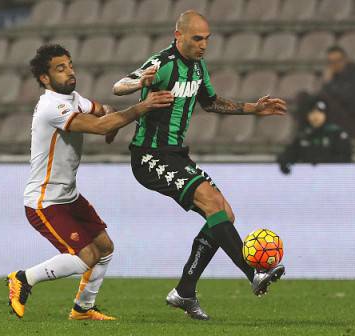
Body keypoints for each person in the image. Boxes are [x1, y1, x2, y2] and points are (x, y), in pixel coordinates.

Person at [112, 11, 287, 320]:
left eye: (207, 39)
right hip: (150, 156)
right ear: (178, 35)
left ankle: (184, 291)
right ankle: (253, 273)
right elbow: (119, 86)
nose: (204, 45)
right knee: (210, 203)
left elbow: (210, 102)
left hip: (177, 155)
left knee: (224, 213)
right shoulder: (163, 63)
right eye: (197, 38)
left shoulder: (198, 67)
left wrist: (252, 109)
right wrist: (141, 81)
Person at [7, 44, 174, 320]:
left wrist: (111, 120)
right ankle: (23, 278)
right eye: (60, 69)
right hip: (44, 201)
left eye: (70, 65)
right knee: (84, 255)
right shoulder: (52, 106)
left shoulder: (73, 98)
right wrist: (141, 107)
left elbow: (102, 111)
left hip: (69, 198)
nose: (69, 71)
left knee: (105, 248)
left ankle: (83, 308)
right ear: (45, 79)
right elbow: (99, 126)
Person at [277, 101, 352, 174]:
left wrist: (322, 162)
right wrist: (284, 160)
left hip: (331, 179)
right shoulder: (304, 135)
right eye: (312, 113)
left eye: (319, 113)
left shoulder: (336, 134)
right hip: (309, 179)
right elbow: (290, 153)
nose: (316, 116)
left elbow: (345, 158)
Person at [318, 46, 355, 138]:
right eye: (331, 62)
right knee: (304, 97)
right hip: (337, 119)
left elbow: (348, 99)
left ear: (346, 59)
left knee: (324, 102)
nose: (335, 64)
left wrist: (328, 83)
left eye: (338, 60)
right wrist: (327, 83)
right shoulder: (333, 76)